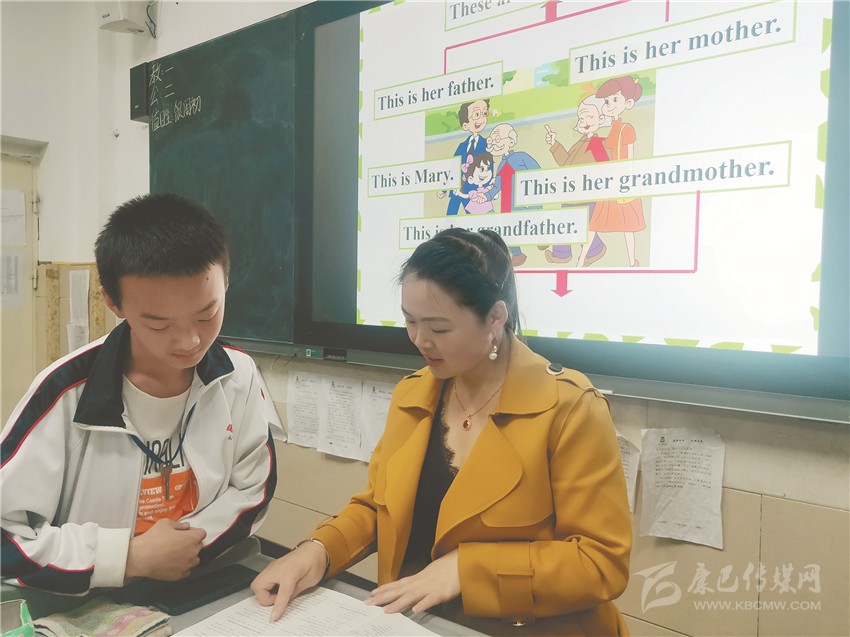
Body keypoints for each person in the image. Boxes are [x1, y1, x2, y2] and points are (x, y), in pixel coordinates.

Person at [252, 228, 631, 635]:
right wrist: (318, 550)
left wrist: (468, 570)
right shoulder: (414, 394)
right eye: (410, 321)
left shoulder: (569, 408)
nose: (420, 341)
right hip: (421, 623)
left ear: (495, 318)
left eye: (439, 328)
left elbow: (600, 562)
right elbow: (380, 508)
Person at [0, 193, 277, 596]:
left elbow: (254, 489)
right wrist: (127, 558)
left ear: (226, 284)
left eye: (207, 313)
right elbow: (6, 538)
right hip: (89, 600)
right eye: (159, 325)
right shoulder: (63, 392)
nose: (190, 341)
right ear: (113, 302)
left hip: (201, 583)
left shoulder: (238, 374)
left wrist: (183, 549)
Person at [584, 76, 646, 268]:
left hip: (621, 185)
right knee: (594, 225)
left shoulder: (626, 128)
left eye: (614, 99)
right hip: (609, 185)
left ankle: (632, 262)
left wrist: (626, 183)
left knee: (628, 227)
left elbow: (630, 158)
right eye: (606, 101)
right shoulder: (613, 128)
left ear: (628, 103)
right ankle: (580, 262)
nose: (609, 104)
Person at [542, 94, 611, 265]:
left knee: (583, 225)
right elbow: (566, 162)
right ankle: (561, 254)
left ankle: (595, 251)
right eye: (581, 118)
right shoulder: (579, 144)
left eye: (590, 117)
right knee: (563, 224)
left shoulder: (598, 143)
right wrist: (554, 144)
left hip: (587, 194)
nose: (584, 121)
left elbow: (605, 166)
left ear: (601, 119)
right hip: (571, 194)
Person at [438, 99, 490, 215]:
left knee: (472, 219)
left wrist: (486, 191)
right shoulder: (462, 146)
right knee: (450, 217)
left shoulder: (485, 144)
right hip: (457, 190)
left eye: (484, 113)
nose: (481, 118)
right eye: (477, 114)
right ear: (465, 125)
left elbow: (488, 168)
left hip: (473, 192)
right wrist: (444, 189)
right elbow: (453, 168)